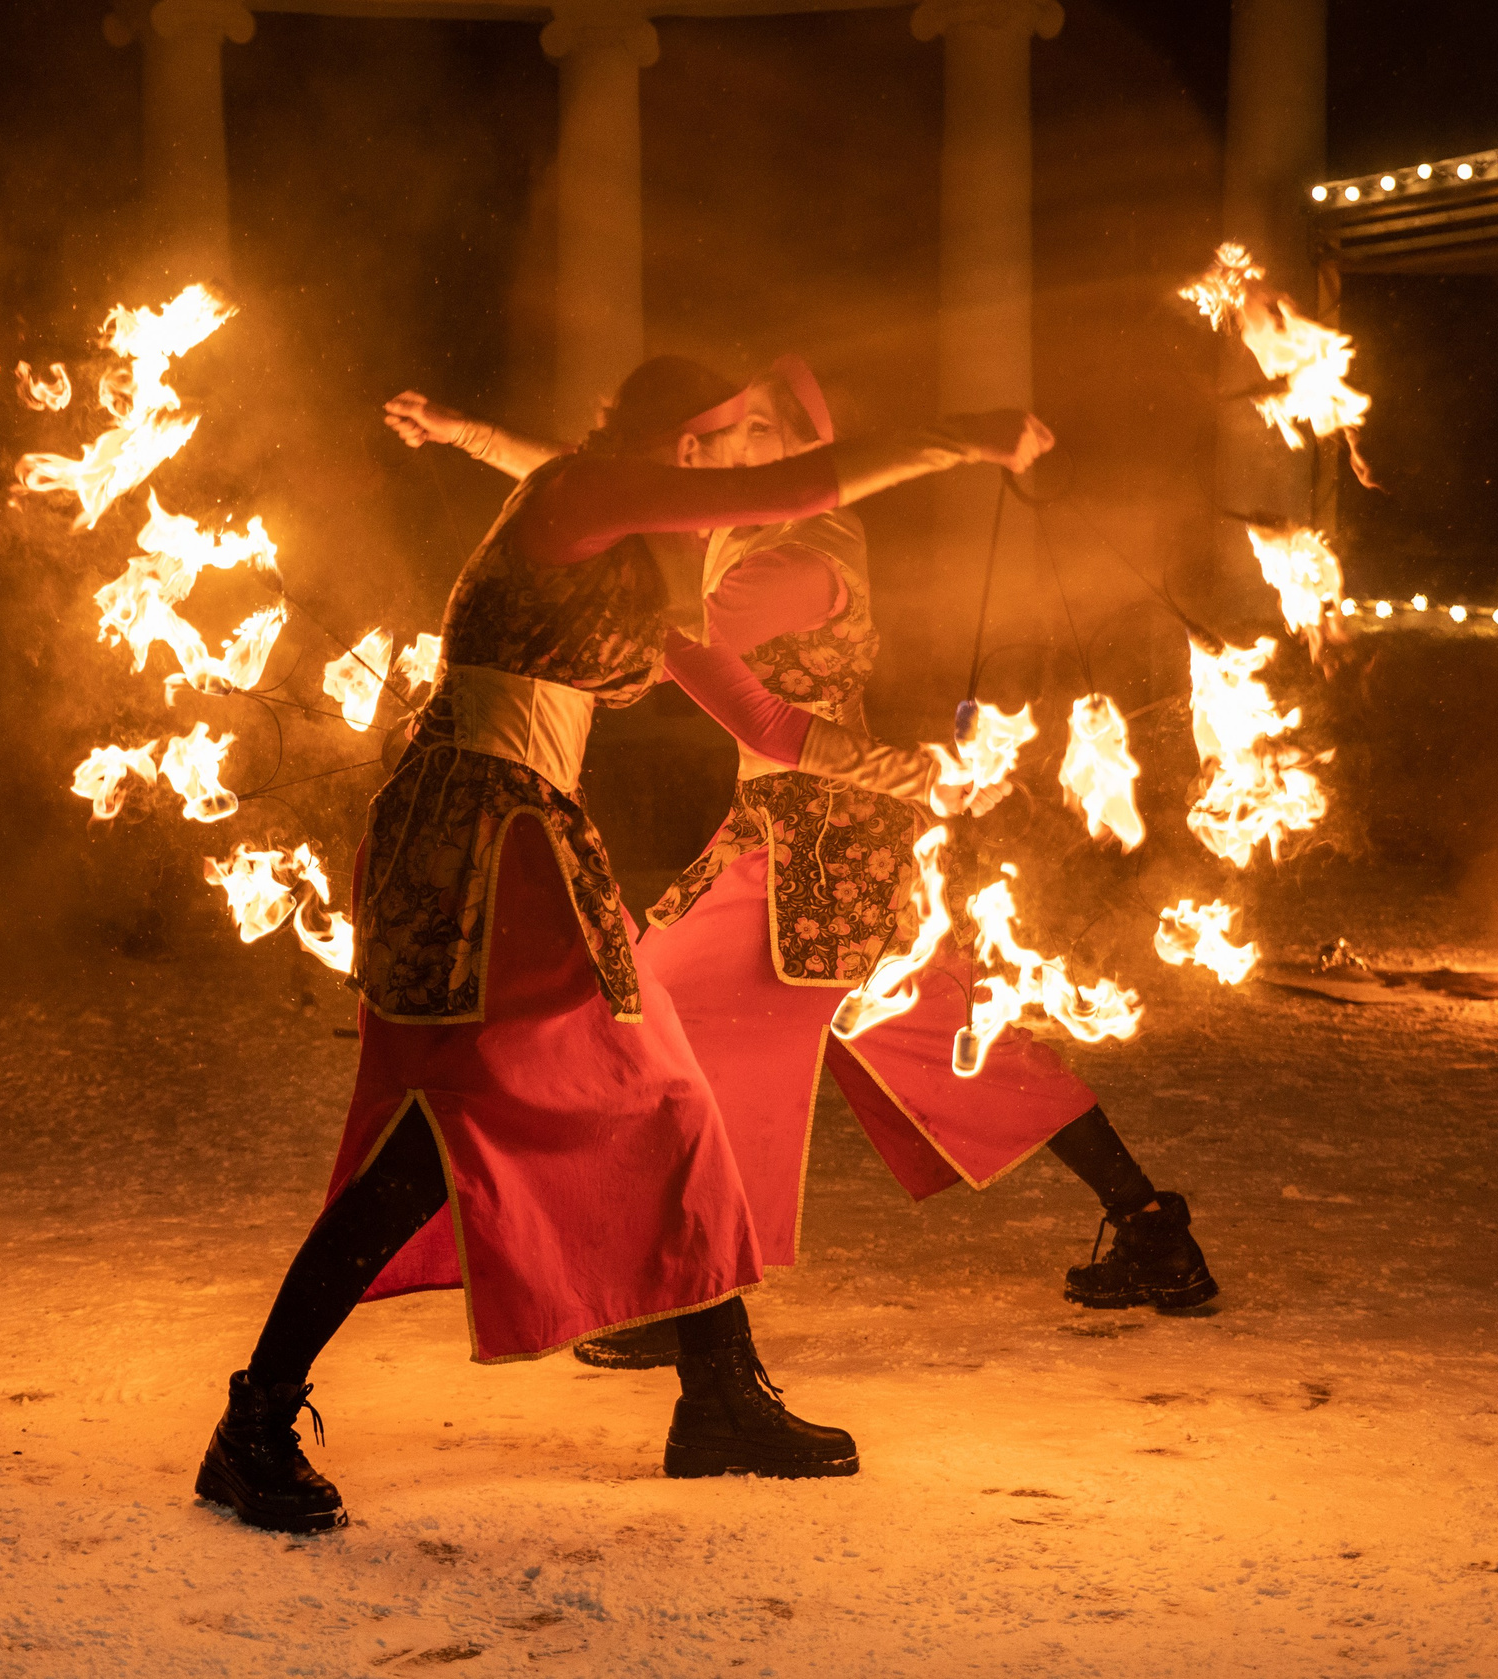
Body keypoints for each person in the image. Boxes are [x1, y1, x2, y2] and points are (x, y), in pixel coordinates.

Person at [198, 356, 1048, 1534]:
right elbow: (803, 478)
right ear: (657, 438)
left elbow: (756, 718)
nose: (715, 464)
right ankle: (255, 1420)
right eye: (705, 442)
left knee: (661, 1101)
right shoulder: (580, 494)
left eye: (726, 442)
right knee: (449, 1135)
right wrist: (960, 436)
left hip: (535, 839)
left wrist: (899, 770)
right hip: (479, 837)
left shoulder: (637, 573)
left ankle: (719, 1396)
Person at [383, 363, 1214, 1377]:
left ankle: (685, 1296)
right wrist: (464, 429)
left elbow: (668, 591)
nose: (742, 450)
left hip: (813, 842)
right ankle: (1148, 1220)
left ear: (808, 452)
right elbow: (596, 492)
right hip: (801, 828)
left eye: (769, 433)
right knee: (945, 1039)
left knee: (654, 1026)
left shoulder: (801, 555)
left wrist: (597, 572)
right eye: (733, 433)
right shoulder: (732, 534)